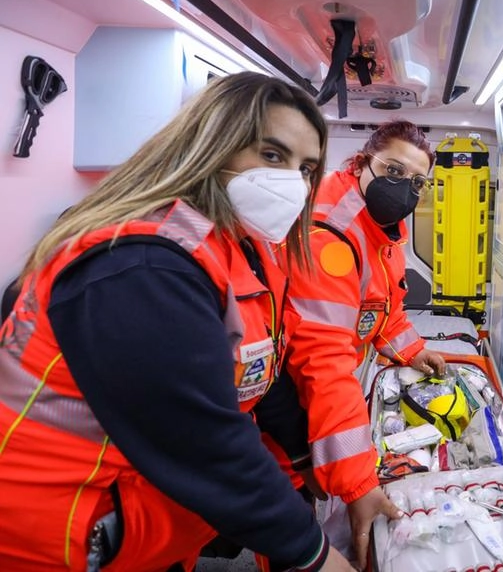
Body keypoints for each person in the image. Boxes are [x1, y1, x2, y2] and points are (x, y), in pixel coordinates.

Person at [0, 72, 355, 572]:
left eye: (306, 168)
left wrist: (304, 462)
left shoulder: (237, 248)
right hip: (62, 535)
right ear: (212, 145)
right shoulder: (143, 267)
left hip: (148, 517)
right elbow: (205, 443)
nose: (292, 183)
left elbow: (259, 367)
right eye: (271, 155)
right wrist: (314, 555)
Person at [274, 120, 447, 567]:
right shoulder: (331, 235)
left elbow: (382, 308)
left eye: (416, 182)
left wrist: (412, 350)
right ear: (359, 163)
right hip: (283, 413)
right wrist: (358, 484)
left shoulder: (379, 228)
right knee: (289, 537)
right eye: (393, 171)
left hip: (317, 402)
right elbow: (323, 363)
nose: (404, 188)